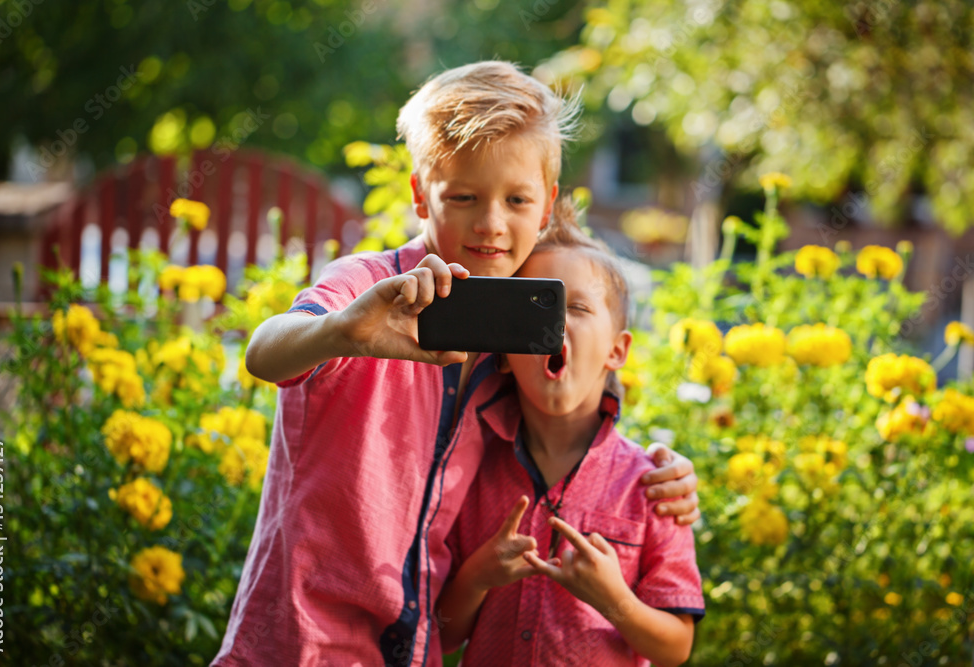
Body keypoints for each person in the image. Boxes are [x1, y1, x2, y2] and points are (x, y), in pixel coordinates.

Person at [211, 61, 700, 667]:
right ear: (420, 192)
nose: (491, 223)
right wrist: (343, 332)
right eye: (463, 197)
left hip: (413, 649)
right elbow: (265, 351)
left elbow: (575, 407)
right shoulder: (368, 286)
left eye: (516, 199)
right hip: (302, 641)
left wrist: (661, 465)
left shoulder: (511, 333)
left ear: (546, 204)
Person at [438, 197, 705, 666]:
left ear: (617, 351)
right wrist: (475, 577)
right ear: (503, 352)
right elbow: (441, 637)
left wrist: (613, 600)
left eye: (576, 306)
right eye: (534, 310)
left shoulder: (653, 487)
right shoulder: (470, 472)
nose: (554, 321)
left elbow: (675, 647)